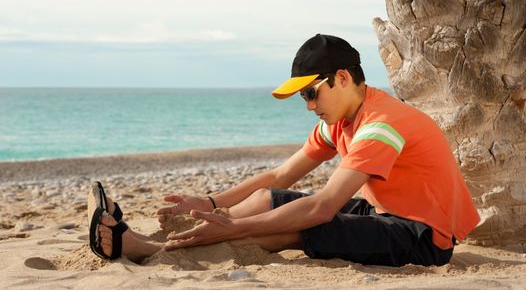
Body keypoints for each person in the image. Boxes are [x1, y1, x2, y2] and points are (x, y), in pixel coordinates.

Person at [88, 33, 480, 266]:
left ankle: (147, 248)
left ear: (341, 78)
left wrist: (238, 225)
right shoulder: (341, 120)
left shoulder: (381, 125)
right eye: (303, 98)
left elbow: (323, 207)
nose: (309, 105)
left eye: (311, 93)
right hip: (386, 213)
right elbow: (280, 177)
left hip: (424, 237)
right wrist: (208, 202)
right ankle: (188, 234)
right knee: (267, 199)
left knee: (305, 224)